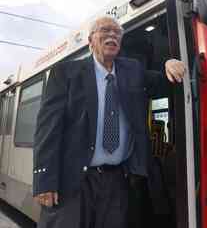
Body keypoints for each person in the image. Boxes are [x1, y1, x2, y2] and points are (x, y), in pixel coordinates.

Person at [32, 16, 185, 228]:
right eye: (105, 30)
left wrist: (169, 63)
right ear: (90, 41)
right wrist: (44, 181)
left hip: (117, 181)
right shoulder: (65, 73)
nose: (112, 35)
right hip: (74, 180)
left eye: (117, 33)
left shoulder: (133, 70)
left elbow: (162, 81)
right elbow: (48, 130)